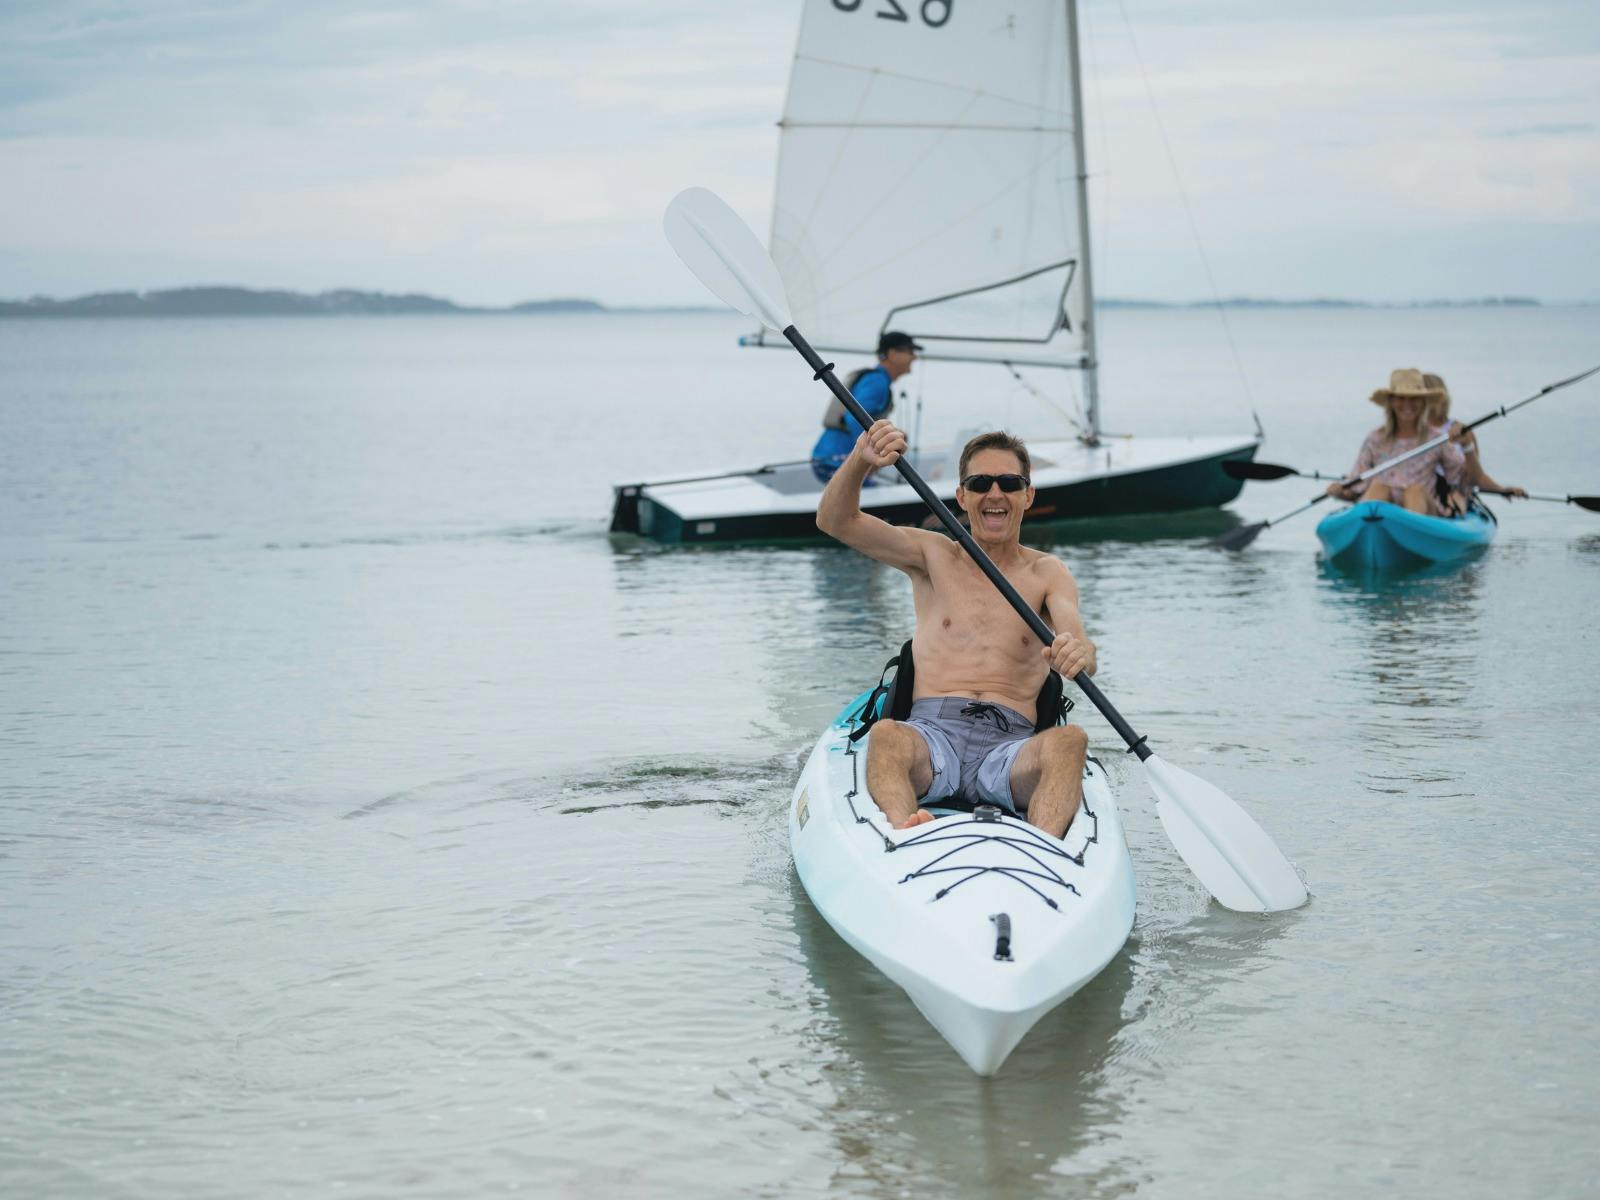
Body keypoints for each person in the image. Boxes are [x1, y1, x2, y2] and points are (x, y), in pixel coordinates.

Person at [816, 420, 1094, 837]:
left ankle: (1047, 855)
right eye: (980, 483)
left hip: (1011, 746)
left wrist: (1079, 653)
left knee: (1070, 741)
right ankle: (903, 830)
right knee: (887, 734)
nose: (995, 494)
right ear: (962, 496)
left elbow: (1079, 643)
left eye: (1009, 483)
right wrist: (860, 460)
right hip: (930, 736)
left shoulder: (1048, 573)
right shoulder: (931, 555)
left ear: (1028, 495)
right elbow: (836, 521)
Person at [1326, 368, 1466, 514]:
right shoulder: (1375, 439)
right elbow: (1356, 486)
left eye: (1413, 398)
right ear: (1391, 402)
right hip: (1383, 510)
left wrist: (1466, 444)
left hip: (1422, 509)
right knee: (1379, 488)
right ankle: (1373, 528)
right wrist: (1339, 491)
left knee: (1414, 491)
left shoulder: (1436, 439)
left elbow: (1458, 475)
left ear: (1423, 403)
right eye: (1401, 398)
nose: (1407, 404)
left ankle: (1411, 530)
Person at [810, 330, 922, 485]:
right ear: (893, 354)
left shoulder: (876, 379)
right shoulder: (878, 382)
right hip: (834, 462)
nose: (915, 357)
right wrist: (876, 451)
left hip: (825, 459)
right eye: (910, 351)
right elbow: (854, 418)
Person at [1422, 372, 1527, 514]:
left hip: (1454, 492)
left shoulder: (1462, 431)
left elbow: (1476, 477)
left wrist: (1501, 490)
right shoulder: (1409, 432)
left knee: (1452, 497)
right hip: (1421, 491)